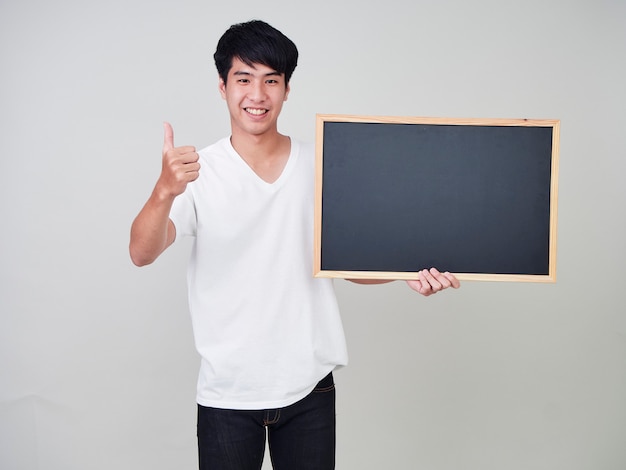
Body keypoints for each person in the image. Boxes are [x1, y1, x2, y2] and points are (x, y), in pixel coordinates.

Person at [129, 19, 460, 470]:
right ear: (223, 87)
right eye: (243, 79)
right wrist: (163, 191)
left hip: (308, 386)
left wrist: (409, 271)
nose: (257, 95)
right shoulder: (196, 172)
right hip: (228, 391)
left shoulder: (321, 165)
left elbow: (349, 264)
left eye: (272, 80)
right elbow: (141, 253)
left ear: (287, 89)